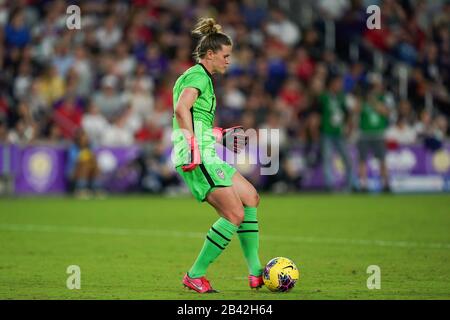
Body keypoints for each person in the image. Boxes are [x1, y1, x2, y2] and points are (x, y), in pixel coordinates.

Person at [172, 18, 262, 293]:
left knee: (250, 198)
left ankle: (256, 272)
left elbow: (193, 118)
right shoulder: (198, 76)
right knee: (234, 213)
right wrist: (191, 145)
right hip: (198, 156)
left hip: (206, 151)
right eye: (225, 56)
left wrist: (219, 134)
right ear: (210, 54)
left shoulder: (201, 78)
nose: (228, 61)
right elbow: (180, 108)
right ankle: (195, 275)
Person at [356, 82, 391, 192]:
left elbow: (386, 113)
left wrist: (374, 103)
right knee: (362, 160)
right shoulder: (363, 103)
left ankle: (385, 184)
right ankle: (363, 185)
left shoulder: (382, 100)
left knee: (382, 160)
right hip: (364, 135)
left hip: (378, 134)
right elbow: (355, 111)